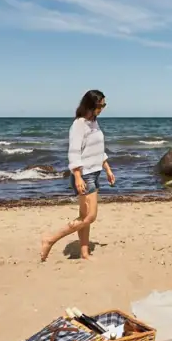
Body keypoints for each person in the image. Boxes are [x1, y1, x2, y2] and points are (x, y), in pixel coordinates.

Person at [40, 90, 115, 261]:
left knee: (84, 217)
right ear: (91, 104)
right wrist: (78, 176)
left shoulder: (94, 123)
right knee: (90, 216)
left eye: (104, 104)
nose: (103, 108)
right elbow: (74, 152)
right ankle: (50, 239)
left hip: (94, 172)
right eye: (100, 104)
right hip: (84, 175)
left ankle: (84, 253)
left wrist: (108, 169)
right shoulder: (79, 125)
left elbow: (98, 150)